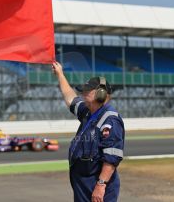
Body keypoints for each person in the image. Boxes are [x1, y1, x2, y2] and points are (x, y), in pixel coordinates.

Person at [52, 61, 125, 202]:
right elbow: (70, 98)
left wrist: (101, 185)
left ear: (101, 94)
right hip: (83, 186)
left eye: (87, 91)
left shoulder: (110, 120)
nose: (83, 93)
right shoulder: (88, 112)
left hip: (96, 188)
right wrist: (60, 74)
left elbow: (112, 157)